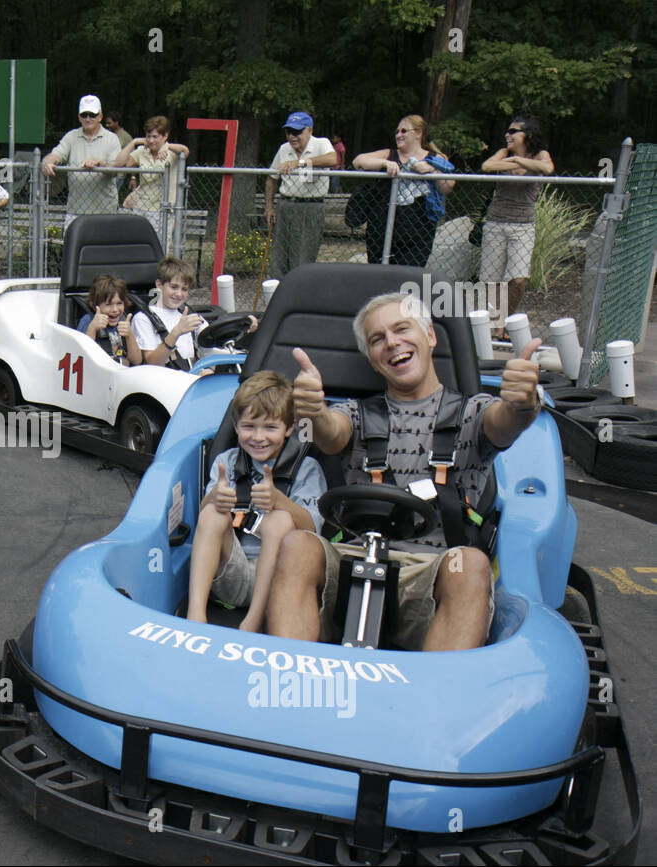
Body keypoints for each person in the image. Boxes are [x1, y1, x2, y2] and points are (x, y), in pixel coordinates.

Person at [267, 291, 543, 651]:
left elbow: (506, 422)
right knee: (298, 544)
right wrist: (314, 411)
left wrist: (524, 404)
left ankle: (438, 696)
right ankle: (291, 675)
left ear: (430, 336)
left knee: (471, 563)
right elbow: (331, 434)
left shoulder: (473, 412)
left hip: (433, 570)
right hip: (355, 558)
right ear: (371, 357)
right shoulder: (356, 414)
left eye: (401, 329)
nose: (392, 343)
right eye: (377, 339)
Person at [186, 371, 325, 629]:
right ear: (237, 426)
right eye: (249, 427)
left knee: (281, 519)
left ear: (289, 428)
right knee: (211, 513)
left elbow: (313, 528)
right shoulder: (226, 462)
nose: (259, 437)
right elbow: (205, 517)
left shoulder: (307, 469)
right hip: (232, 572)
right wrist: (215, 499)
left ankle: (254, 619)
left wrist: (280, 501)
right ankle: (196, 614)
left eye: (270, 427)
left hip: (280, 581)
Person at [352, 115, 455, 267]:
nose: (398, 135)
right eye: (397, 132)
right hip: (381, 228)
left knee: (407, 279)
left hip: (418, 231)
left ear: (418, 133)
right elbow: (358, 161)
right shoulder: (389, 154)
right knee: (379, 276)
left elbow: (447, 187)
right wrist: (385, 163)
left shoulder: (435, 158)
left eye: (404, 131)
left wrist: (432, 169)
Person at [480, 114, 554, 324]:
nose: (507, 135)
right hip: (495, 223)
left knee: (518, 280)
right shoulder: (503, 152)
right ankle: (496, 326)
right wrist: (513, 160)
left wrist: (516, 160)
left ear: (528, 134)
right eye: (507, 131)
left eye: (513, 131)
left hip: (523, 226)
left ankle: (506, 319)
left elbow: (548, 168)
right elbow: (487, 167)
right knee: (492, 280)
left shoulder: (540, 154)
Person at [263, 111, 337, 278]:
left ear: (309, 130)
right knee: (279, 258)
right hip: (285, 205)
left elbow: (333, 159)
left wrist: (301, 163)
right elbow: (271, 178)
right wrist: (269, 207)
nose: (292, 136)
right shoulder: (284, 149)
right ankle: (279, 295)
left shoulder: (321, 144)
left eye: (297, 132)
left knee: (303, 258)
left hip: (311, 207)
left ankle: (299, 297)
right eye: (289, 132)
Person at [42, 95, 122, 228]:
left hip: (105, 212)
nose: (88, 118)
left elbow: (115, 171)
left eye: (92, 114)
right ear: (79, 117)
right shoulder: (71, 136)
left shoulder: (112, 139)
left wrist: (99, 163)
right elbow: (55, 155)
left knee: (103, 249)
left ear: (100, 116)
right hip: (75, 211)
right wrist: (48, 162)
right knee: (73, 248)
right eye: (84, 115)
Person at [116, 115, 189, 244]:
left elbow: (185, 150)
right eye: (148, 136)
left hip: (162, 211)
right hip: (141, 208)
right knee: (138, 248)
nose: (151, 140)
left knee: (160, 250)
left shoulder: (172, 153)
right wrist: (134, 142)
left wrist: (168, 146)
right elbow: (120, 164)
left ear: (165, 136)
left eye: (155, 137)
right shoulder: (142, 151)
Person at [130, 256, 207, 370]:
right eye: (174, 287)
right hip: (162, 378)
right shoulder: (143, 318)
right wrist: (176, 332)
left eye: (184, 289)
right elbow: (152, 362)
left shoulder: (188, 314)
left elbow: (212, 338)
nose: (179, 294)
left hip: (192, 373)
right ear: (159, 285)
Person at [76, 274, 142, 366]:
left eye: (119, 303)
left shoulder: (124, 321)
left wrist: (129, 335)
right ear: (96, 306)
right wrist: (92, 329)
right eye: (108, 304)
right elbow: (80, 357)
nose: (115, 309)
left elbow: (136, 360)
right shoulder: (88, 321)